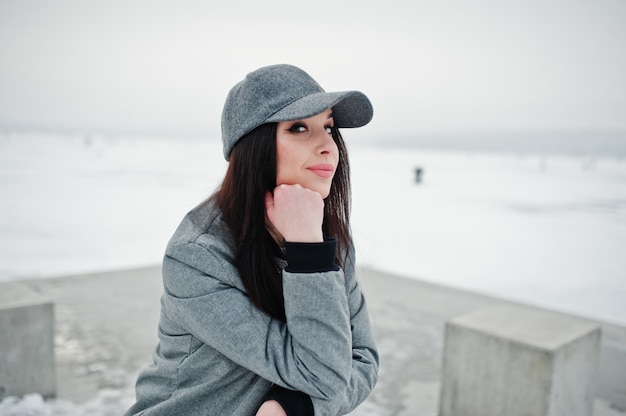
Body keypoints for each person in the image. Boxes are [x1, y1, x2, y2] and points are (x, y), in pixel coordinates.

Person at [124, 64, 379, 416]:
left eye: (329, 128)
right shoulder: (197, 256)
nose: (328, 147)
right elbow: (324, 375)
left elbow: (362, 357)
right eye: (300, 127)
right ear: (254, 147)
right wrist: (305, 251)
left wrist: (291, 406)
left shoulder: (324, 237)